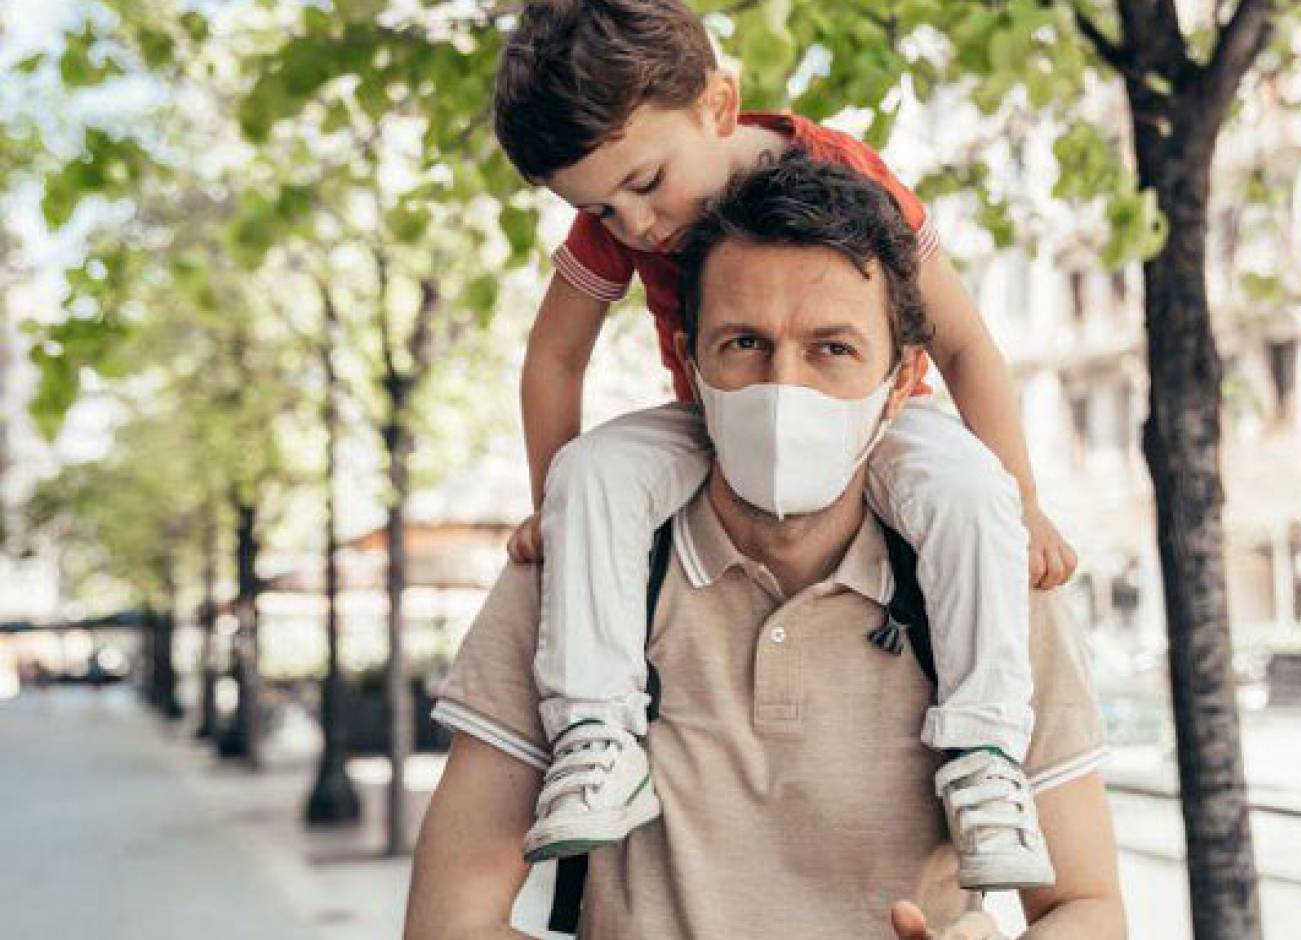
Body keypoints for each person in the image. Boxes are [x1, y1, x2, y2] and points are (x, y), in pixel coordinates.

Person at [408, 154, 1125, 940]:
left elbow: (1085, 908)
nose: (784, 390)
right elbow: (451, 924)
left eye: (833, 349)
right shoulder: (571, 581)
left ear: (901, 382)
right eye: (745, 343)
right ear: (689, 361)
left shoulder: (990, 582)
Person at [492, 0, 1078, 889]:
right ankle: (597, 736)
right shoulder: (615, 219)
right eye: (602, 210)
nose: (636, 227)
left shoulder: (845, 175)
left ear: (718, 108)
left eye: (646, 185)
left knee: (972, 496)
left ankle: (985, 753)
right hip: (720, 417)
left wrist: (1024, 498)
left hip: (875, 418)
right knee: (595, 474)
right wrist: (553, 505)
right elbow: (554, 355)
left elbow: (962, 343)